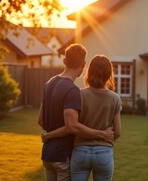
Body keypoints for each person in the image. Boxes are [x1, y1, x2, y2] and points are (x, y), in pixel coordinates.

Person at [38, 44, 114, 181]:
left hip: (48, 154)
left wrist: (49, 135)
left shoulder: (49, 83)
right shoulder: (72, 90)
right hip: (62, 156)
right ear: (84, 64)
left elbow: (41, 120)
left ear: (64, 61)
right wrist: (102, 134)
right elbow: (72, 126)